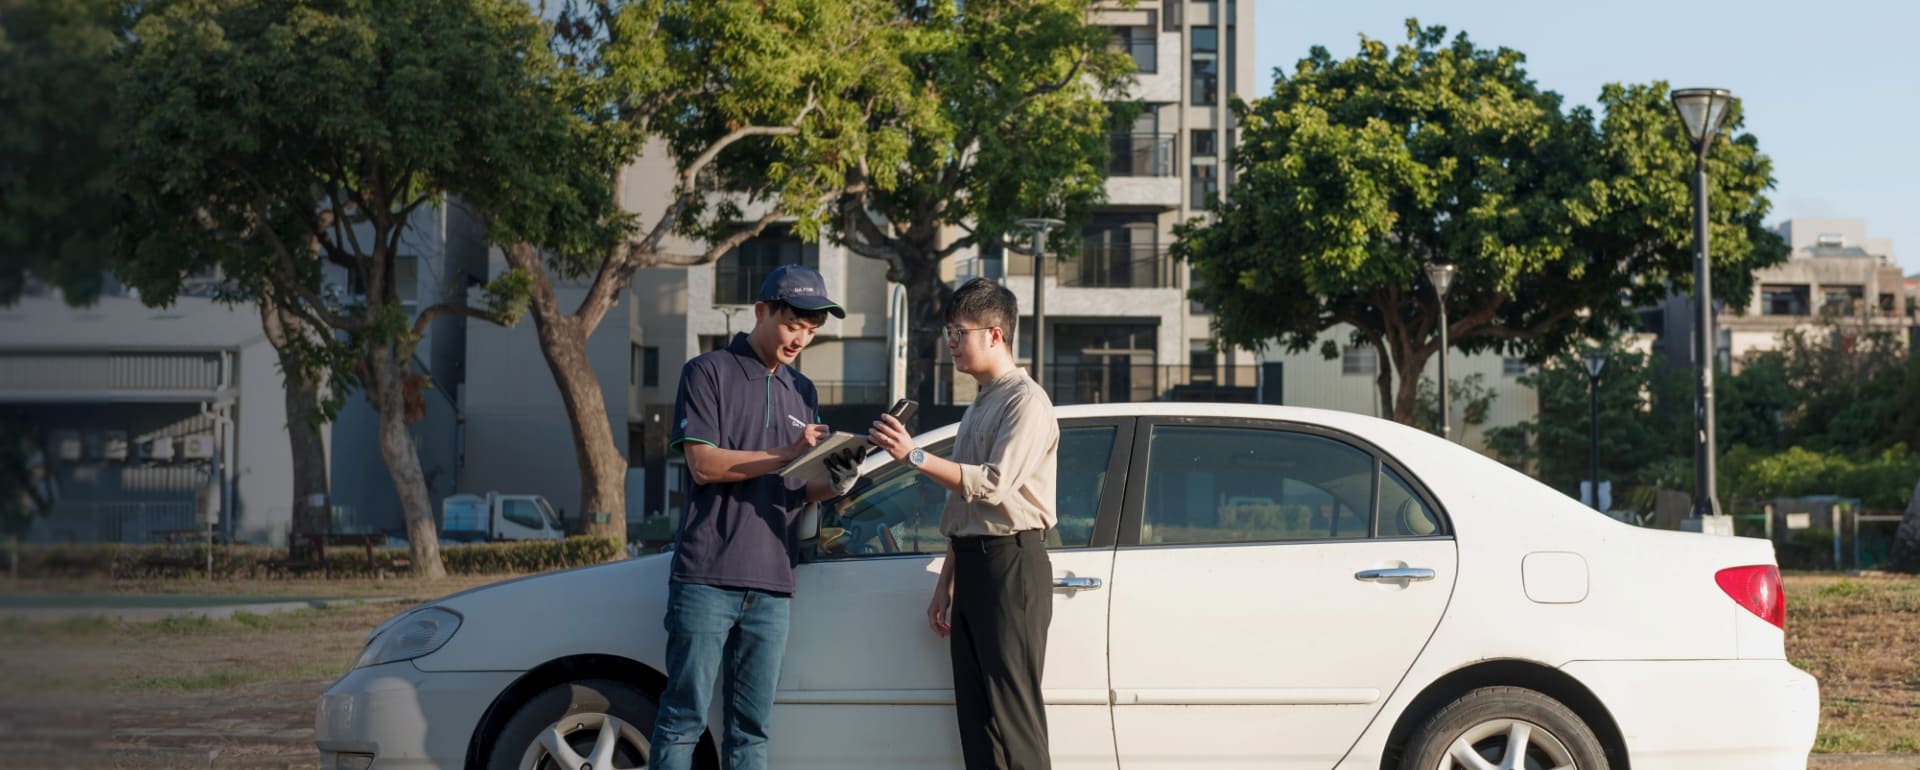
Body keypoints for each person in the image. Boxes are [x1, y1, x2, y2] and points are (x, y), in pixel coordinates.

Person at [651, 264, 865, 770]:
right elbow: (704, 465)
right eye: (792, 325)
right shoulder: (707, 371)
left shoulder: (803, 390)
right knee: (683, 720)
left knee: (752, 733)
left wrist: (840, 478)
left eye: (811, 330)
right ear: (761, 311)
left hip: (773, 583)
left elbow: (799, 486)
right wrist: (788, 451)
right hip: (706, 576)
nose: (800, 339)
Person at [868, 277, 1059, 770]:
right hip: (975, 565)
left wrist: (912, 454)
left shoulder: (1026, 401)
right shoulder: (981, 400)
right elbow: (964, 504)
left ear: (995, 334)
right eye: (948, 333)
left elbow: (991, 484)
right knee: (978, 723)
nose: (950, 343)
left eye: (959, 332)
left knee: (1013, 719)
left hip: (1011, 565)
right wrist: (946, 584)